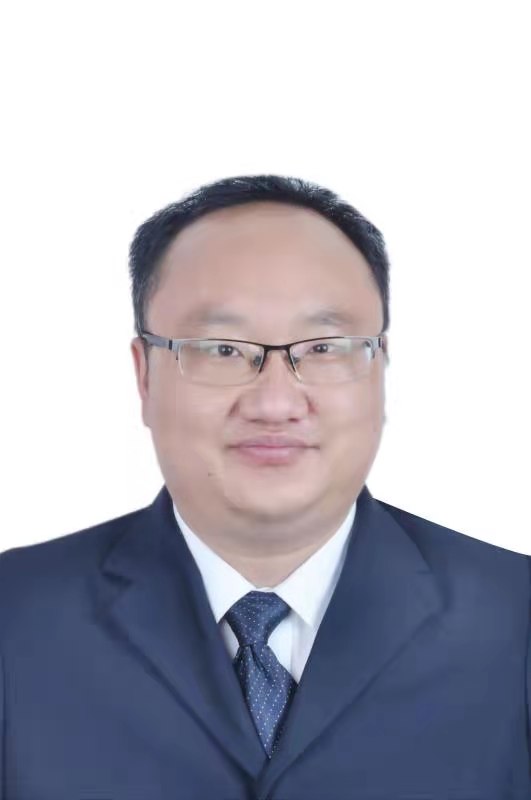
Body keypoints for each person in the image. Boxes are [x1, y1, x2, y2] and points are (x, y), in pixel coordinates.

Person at [0, 175, 529, 799]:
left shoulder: (515, 619)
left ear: (380, 366)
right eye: (222, 349)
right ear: (144, 377)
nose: (275, 403)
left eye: (324, 346)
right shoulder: (15, 618)